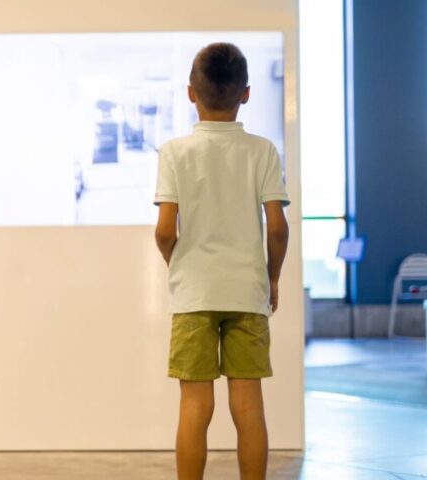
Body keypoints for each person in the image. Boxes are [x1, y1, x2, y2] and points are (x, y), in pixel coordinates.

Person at [153, 43, 290, 480]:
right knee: (248, 404)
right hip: (247, 290)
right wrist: (272, 276)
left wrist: (179, 262)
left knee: (195, 404)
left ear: (191, 93)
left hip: (194, 293)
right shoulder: (263, 150)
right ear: (245, 93)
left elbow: (164, 230)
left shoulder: (175, 152)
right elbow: (277, 227)